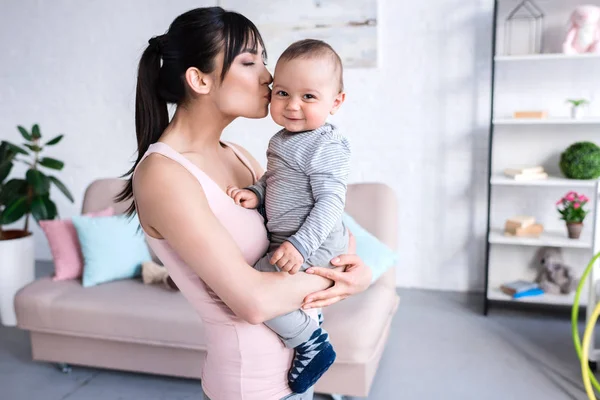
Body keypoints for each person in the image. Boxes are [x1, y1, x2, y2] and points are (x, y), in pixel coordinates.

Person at [117, 7, 372, 400]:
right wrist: (338, 280)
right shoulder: (163, 175)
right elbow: (252, 303)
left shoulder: (239, 155)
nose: (270, 78)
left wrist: (356, 269)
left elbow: (333, 226)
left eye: (264, 61)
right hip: (250, 388)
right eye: (250, 62)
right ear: (199, 79)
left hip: (297, 378)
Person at [226, 39, 350, 394]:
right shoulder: (282, 140)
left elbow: (330, 202)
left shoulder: (326, 144)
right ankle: (309, 328)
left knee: (255, 287)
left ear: (335, 102)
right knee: (258, 284)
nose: (292, 105)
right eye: (282, 92)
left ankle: (312, 342)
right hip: (290, 239)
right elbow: (277, 179)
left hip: (314, 241)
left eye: (308, 97)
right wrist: (258, 193)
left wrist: (299, 244)